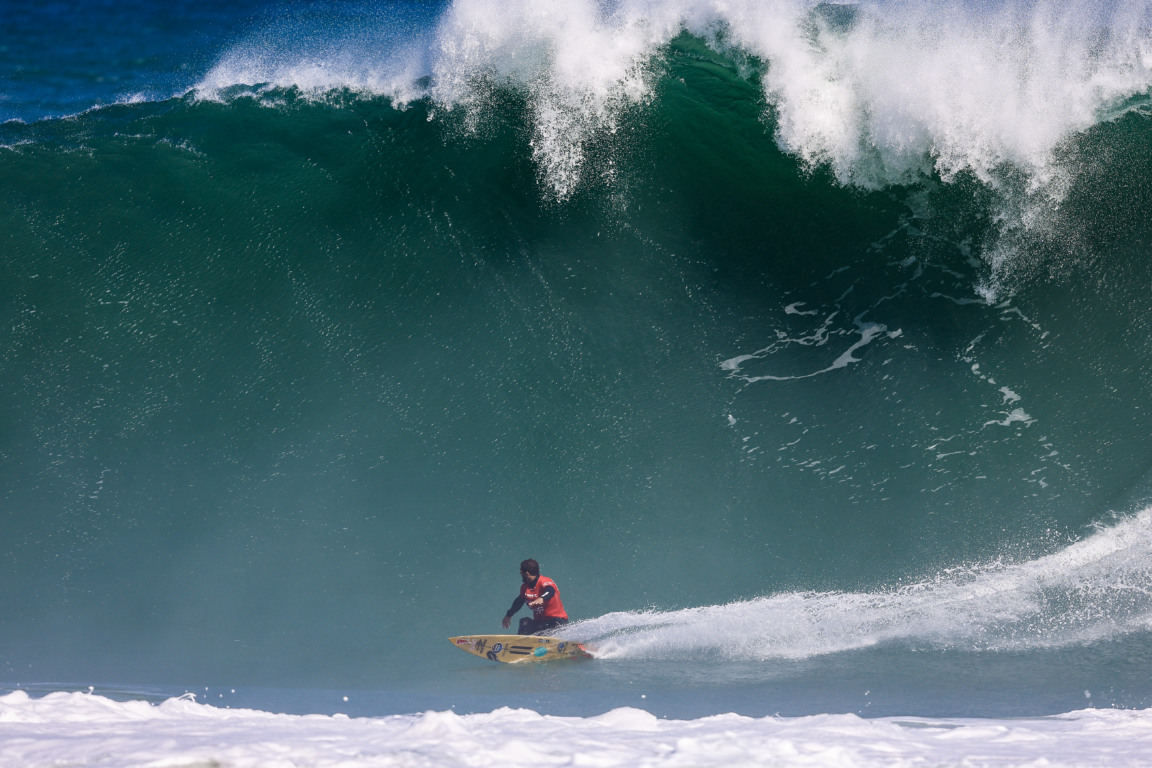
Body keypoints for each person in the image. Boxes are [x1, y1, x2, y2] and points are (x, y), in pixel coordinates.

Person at [502, 558, 568, 635]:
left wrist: (542, 598)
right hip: (540, 623)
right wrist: (508, 615)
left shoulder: (545, 581)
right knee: (524, 622)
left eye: (521, 574)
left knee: (554, 625)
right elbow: (519, 602)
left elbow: (550, 590)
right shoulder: (525, 587)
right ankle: (521, 644)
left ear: (527, 574)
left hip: (557, 621)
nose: (521, 576)